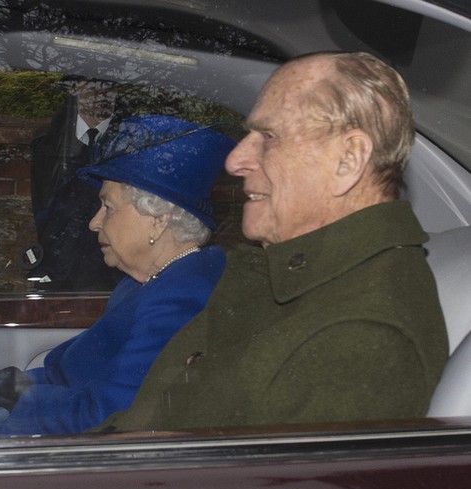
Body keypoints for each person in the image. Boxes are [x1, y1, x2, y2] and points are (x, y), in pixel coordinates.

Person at [97, 52, 449, 433]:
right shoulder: (282, 277)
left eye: (268, 137)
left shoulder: (363, 337)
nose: (235, 160)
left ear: (348, 160)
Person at [0, 114, 236, 435]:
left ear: (158, 219)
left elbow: (111, 414)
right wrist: (15, 385)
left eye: (108, 208)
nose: (94, 222)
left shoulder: (183, 296)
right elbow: (74, 371)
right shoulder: (141, 283)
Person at [26, 76, 126, 291]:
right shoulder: (47, 146)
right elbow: (41, 213)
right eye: (91, 84)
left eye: (107, 84)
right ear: (73, 88)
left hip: (117, 280)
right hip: (56, 278)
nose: (100, 93)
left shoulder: (132, 144)